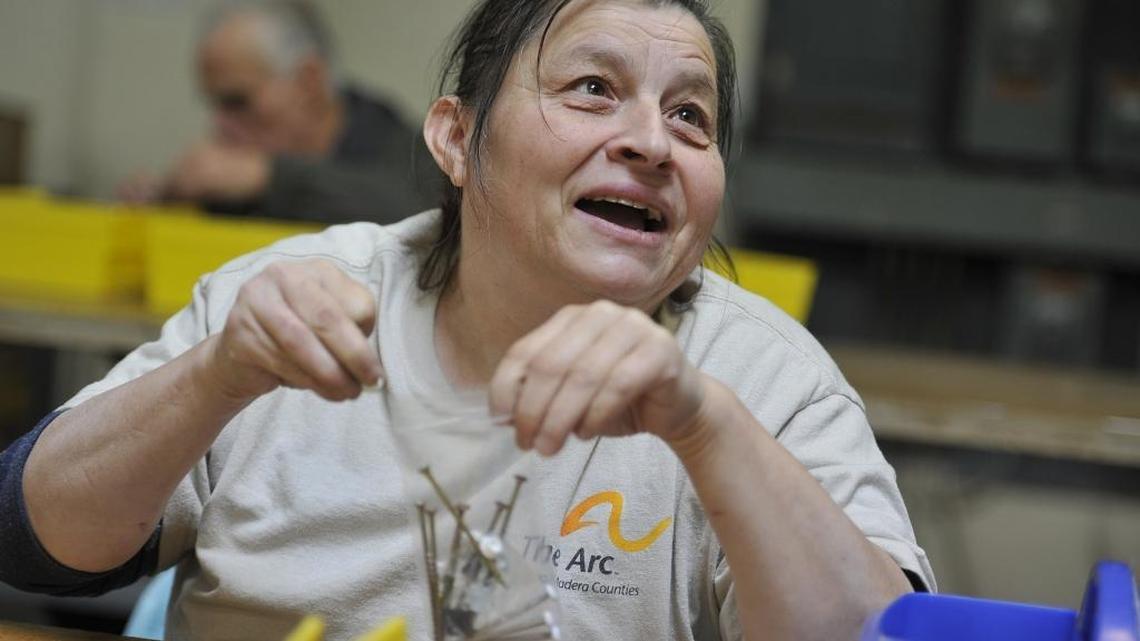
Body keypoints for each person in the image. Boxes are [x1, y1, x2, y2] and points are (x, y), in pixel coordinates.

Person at [0, 0, 935, 639]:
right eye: (593, 89)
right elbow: (35, 541)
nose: (652, 141)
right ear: (456, 137)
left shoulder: (764, 376)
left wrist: (704, 423)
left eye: (691, 117)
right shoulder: (298, 292)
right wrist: (218, 376)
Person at [117, 0, 440, 225]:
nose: (220, 124)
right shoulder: (241, 178)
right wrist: (170, 204)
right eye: (215, 105)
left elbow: (423, 215)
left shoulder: (403, 149)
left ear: (308, 82)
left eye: (237, 101)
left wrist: (268, 177)